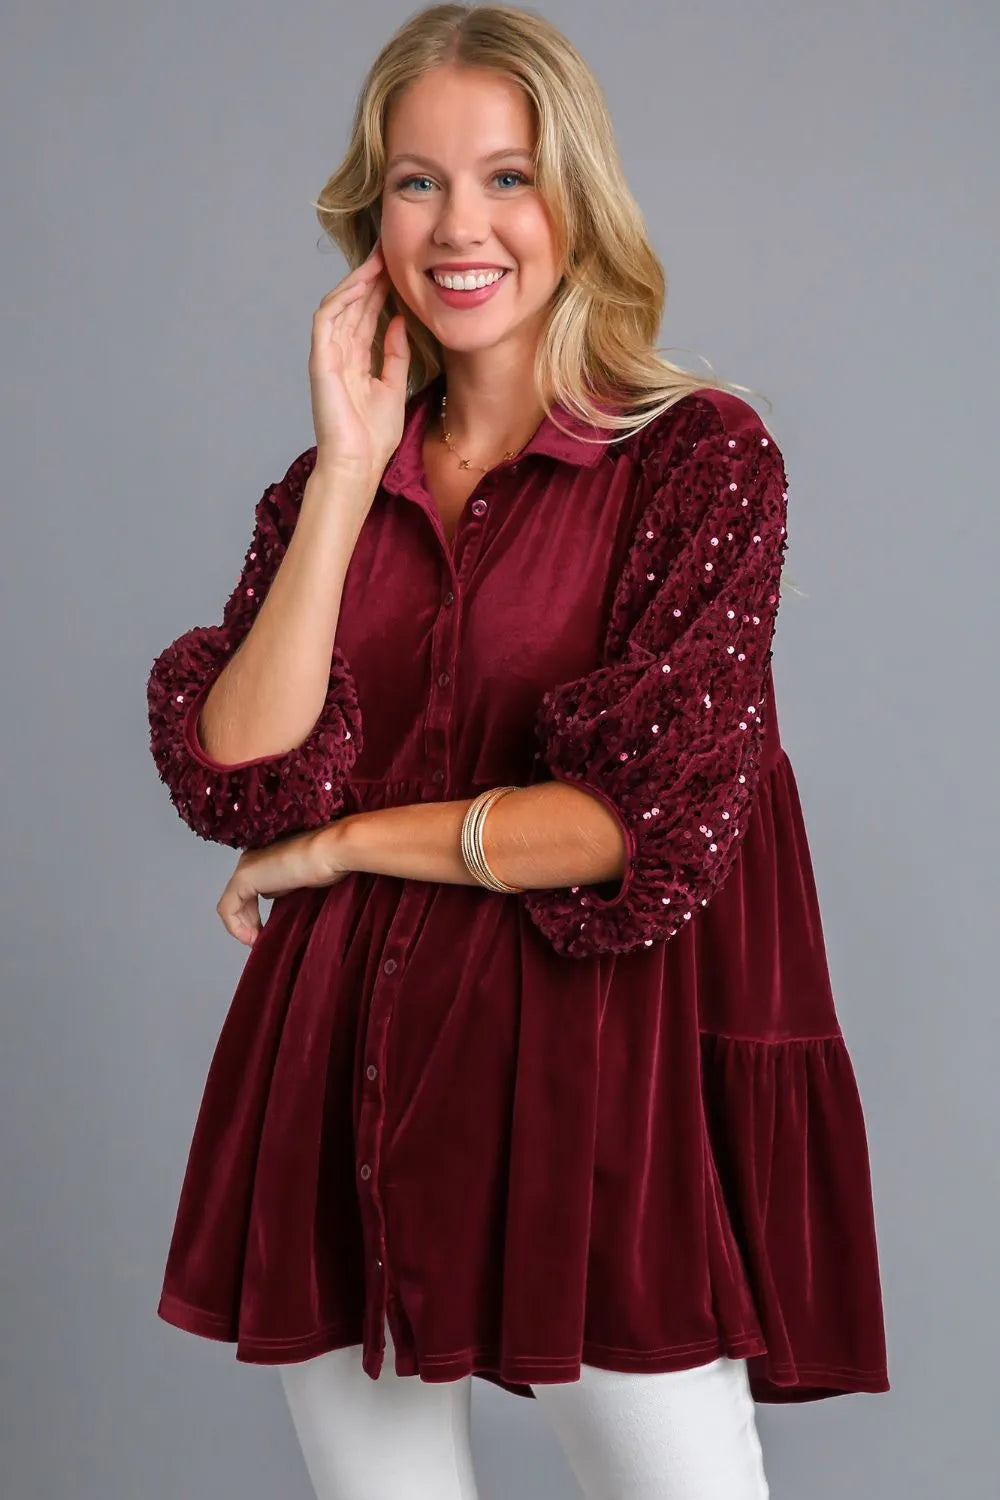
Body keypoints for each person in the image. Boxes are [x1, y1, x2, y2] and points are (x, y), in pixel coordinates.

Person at [145, 5, 890, 1497]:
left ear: (577, 201)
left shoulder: (698, 461)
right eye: (417, 182)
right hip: (344, 1078)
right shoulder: (327, 486)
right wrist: (349, 470)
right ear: (372, 218)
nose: (459, 226)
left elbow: (628, 825)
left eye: (507, 177)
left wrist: (341, 845)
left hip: (594, 1084)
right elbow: (238, 765)